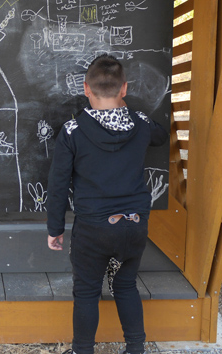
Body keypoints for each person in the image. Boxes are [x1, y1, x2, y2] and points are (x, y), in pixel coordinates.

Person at [46, 55, 168, 354]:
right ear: (124, 89)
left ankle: (82, 350)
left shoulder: (73, 131)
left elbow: (58, 184)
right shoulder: (140, 123)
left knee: (86, 292)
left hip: (94, 229)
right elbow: (161, 136)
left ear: (86, 89)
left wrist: (55, 229)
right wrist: (130, 112)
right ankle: (136, 348)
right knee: (125, 286)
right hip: (134, 225)